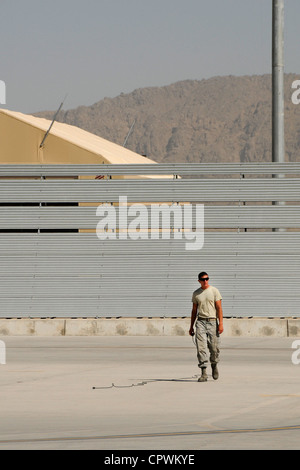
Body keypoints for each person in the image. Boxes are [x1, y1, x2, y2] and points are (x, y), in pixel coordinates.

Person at [189, 272, 223, 382]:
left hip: (212, 321)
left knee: (214, 347)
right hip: (201, 322)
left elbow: (219, 308)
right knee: (201, 347)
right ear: (199, 281)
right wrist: (191, 327)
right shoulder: (196, 294)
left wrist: (221, 323)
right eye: (203, 279)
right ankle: (203, 372)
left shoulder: (214, 291)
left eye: (207, 279)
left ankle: (214, 364)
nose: (205, 281)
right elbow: (194, 311)